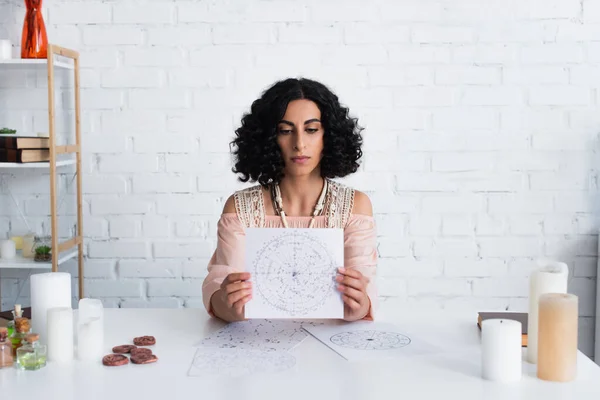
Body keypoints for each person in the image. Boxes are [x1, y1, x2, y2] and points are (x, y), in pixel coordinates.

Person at [202, 77, 377, 323]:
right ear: (269, 138)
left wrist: (359, 305)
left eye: (311, 129)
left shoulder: (355, 206)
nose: (299, 144)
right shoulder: (239, 209)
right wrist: (226, 303)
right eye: (285, 131)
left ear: (329, 135)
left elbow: (365, 288)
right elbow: (219, 285)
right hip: (257, 344)